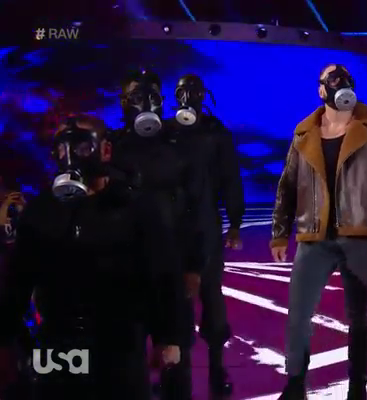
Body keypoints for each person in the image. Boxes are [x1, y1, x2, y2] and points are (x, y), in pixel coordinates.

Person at [0, 115, 182, 400]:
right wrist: (6, 336)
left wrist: (168, 337)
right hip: (58, 339)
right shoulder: (41, 211)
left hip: (120, 342)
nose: (70, 157)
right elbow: (18, 278)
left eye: (82, 147)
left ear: (105, 150)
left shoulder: (137, 208)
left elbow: (164, 275)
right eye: (62, 149)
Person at [270, 63, 367, 399]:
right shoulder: (304, 133)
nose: (340, 84)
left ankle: (357, 386)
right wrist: (280, 231)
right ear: (321, 89)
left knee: (359, 316)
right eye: (332, 79)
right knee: (298, 313)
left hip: (359, 232)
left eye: (344, 78)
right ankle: (295, 384)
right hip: (314, 236)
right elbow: (287, 185)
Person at [110, 71, 205, 400]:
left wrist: (194, 267)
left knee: (175, 360)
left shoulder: (180, 147)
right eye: (137, 97)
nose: (145, 103)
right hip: (125, 271)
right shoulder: (112, 149)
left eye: (151, 96)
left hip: (171, 268)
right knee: (127, 364)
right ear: (124, 102)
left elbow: (197, 210)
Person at [169, 73, 244, 395]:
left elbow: (230, 178)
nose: (188, 97)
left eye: (193, 91)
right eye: (182, 91)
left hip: (205, 224)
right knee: (176, 299)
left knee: (211, 294)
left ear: (203, 95)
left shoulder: (216, 133)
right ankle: (178, 373)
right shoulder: (167, 132)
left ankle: (216, 368)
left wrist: (235, 222)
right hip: (172, 226)